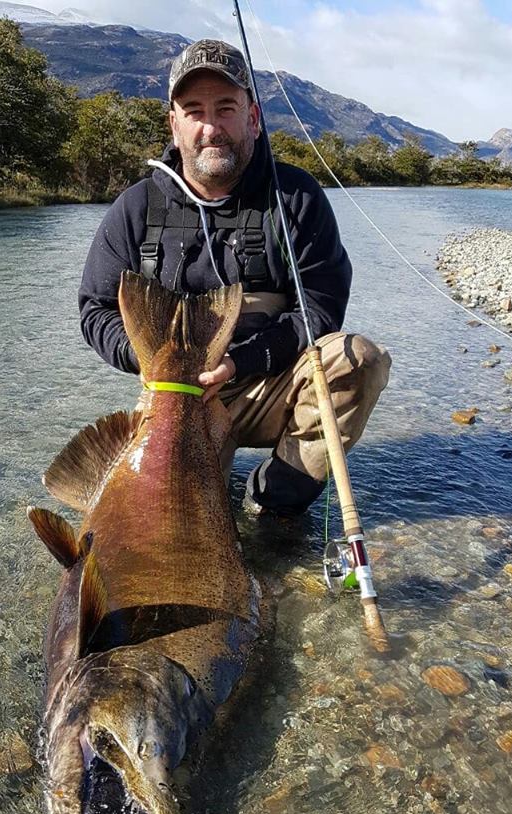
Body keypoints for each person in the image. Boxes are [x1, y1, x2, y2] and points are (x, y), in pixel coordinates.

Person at [79, 38, 391, 518]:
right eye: (194, 110)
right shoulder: (136, 207)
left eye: (226, 108)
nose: (211, 127)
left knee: (359, 360)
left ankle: (272, 503)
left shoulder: (296, 197)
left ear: (253, 116)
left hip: (270, 382)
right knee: (148, 526)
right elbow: (95, 309)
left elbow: (321, 306)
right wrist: (145, 363)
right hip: (172, 397)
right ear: (174, 123)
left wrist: (242, 360)